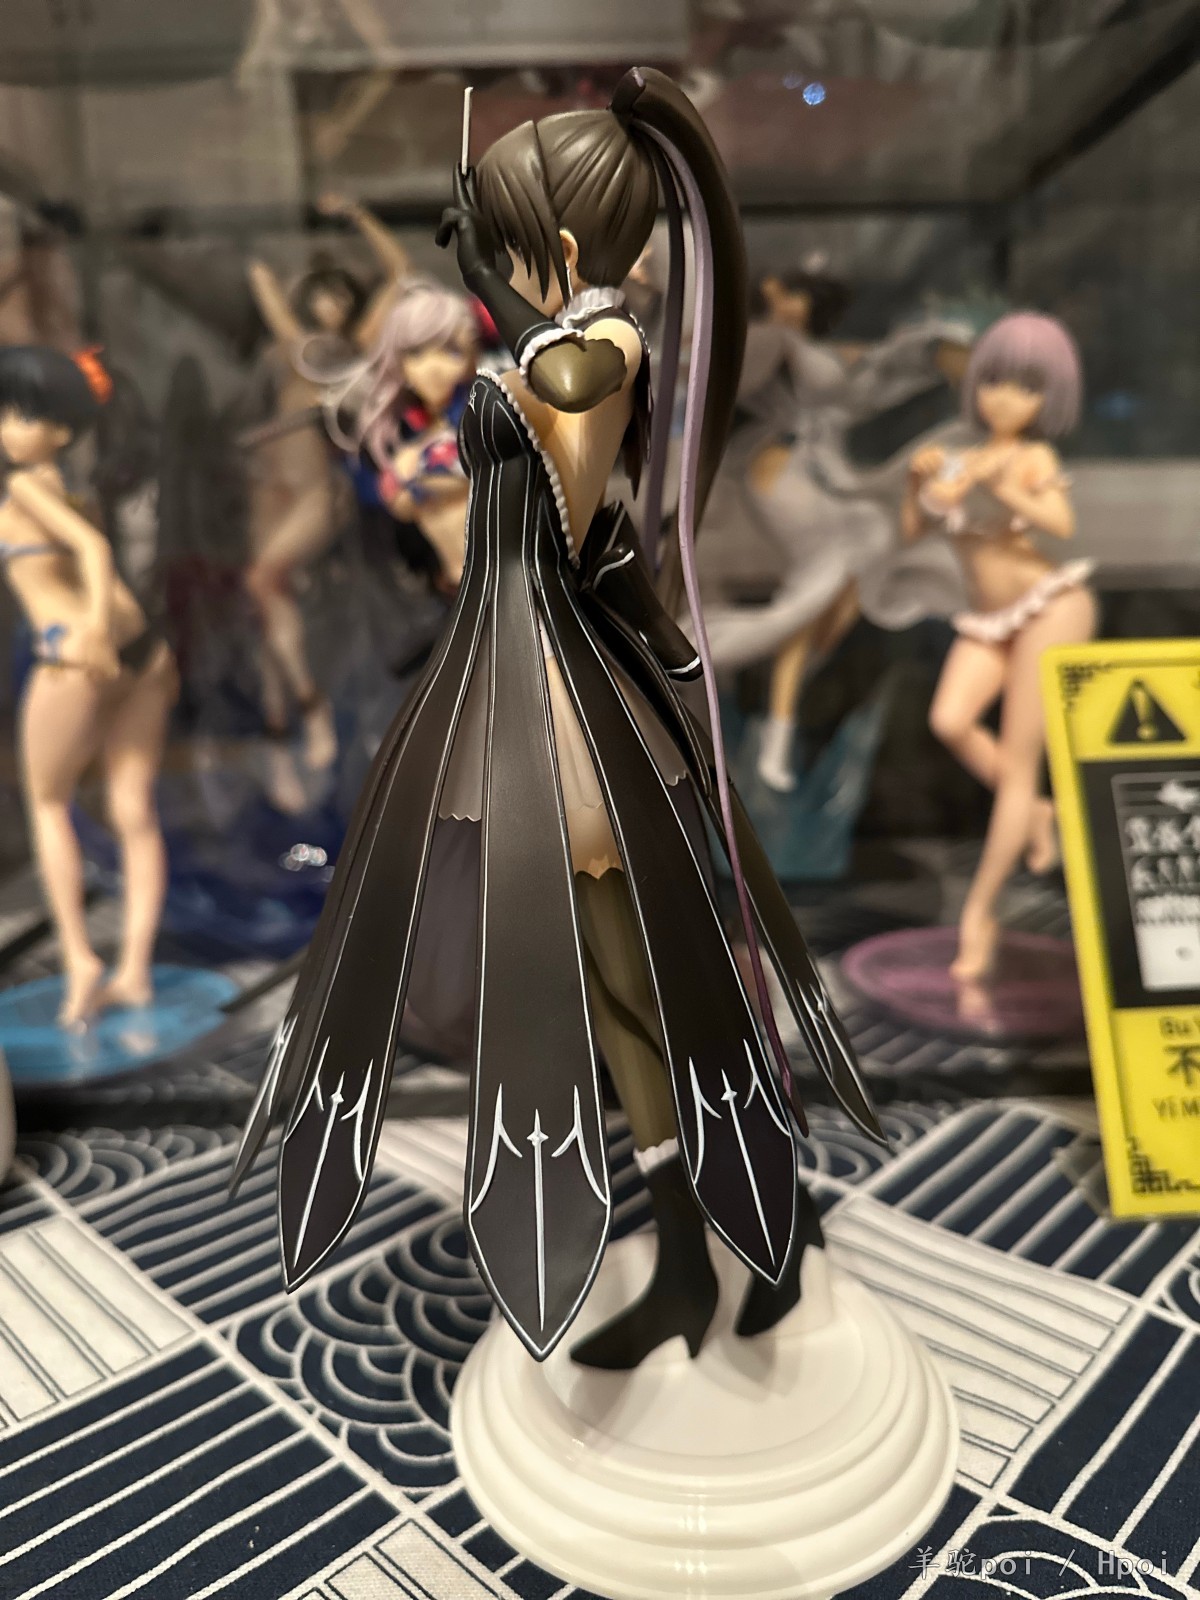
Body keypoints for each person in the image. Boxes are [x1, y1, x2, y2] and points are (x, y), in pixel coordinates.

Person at [234, 69, 882, 1369]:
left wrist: (495, 303)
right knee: (623, 994)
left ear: (565, 247)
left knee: (660, 982)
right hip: (530, 679)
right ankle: (703, 1252)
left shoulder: (596, 352)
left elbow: (567, 490)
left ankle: (762, 1229)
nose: (498, 268)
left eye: (510, 243)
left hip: (572, 702)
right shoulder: (553, 350)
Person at [903, 311, 1094, 980]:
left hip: (1050, 607)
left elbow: (1060, 524)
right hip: (991, 619)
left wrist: (1003, 485)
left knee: (1018, 763)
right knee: (948, 720)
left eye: (1026, 387)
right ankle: (1036, 814)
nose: (1005, 399)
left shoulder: (1032, 457)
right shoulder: (960, 453)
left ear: (1049, 398)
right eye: (994, 382)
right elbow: (913, 531)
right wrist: (917, 482)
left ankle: (980, 914)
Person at [0, 345, 178, 1027]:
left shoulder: (26, 486)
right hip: (144, 653)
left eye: (23, 416)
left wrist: (96, 631)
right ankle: (134, 970)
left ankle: (81, 960)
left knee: (48, 802)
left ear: (62, 428)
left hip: (80, 654)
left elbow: (94, 552)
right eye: (6, 413)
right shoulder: (69, 484)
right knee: (132, 806)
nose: (8, 428)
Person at [243, 193, 410, 772]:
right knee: (265, 600)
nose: (331, 302)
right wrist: (262, 228)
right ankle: (277, 721)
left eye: (341, 294)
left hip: (318, 490)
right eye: (323, 293)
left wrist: (360, 216)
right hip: (268, 484)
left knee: (263, 580)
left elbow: (400, 273)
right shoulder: (295, 345)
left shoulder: (357, 346)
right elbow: (263, 284)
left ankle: (311, 707)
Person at [326, 280, 480, 591]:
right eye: (416, 354)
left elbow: (469, 471)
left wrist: (415, 480)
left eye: (450, 351)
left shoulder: (481, 418)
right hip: (458, 585)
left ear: (473, 352)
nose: (432, 368)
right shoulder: (412, 436)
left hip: (510, 575)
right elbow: (395, 501)